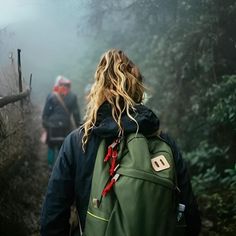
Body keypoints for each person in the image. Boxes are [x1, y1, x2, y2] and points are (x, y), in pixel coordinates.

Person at [40, 49, 201, 236]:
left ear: (97, 89)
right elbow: (191, 218)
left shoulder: (79, 141)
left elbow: (52, 217)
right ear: (138, 89)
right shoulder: (163, 141)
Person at [42, 75, 81, 168]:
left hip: (52, 127)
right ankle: (61, 168)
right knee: (63, 148)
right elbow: (76, 114)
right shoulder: (73, 96)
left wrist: (46, 126)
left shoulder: (51, 96)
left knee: (51, 147)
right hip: (65, 127)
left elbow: (45, 114)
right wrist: (79, 127)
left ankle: (50, 167)